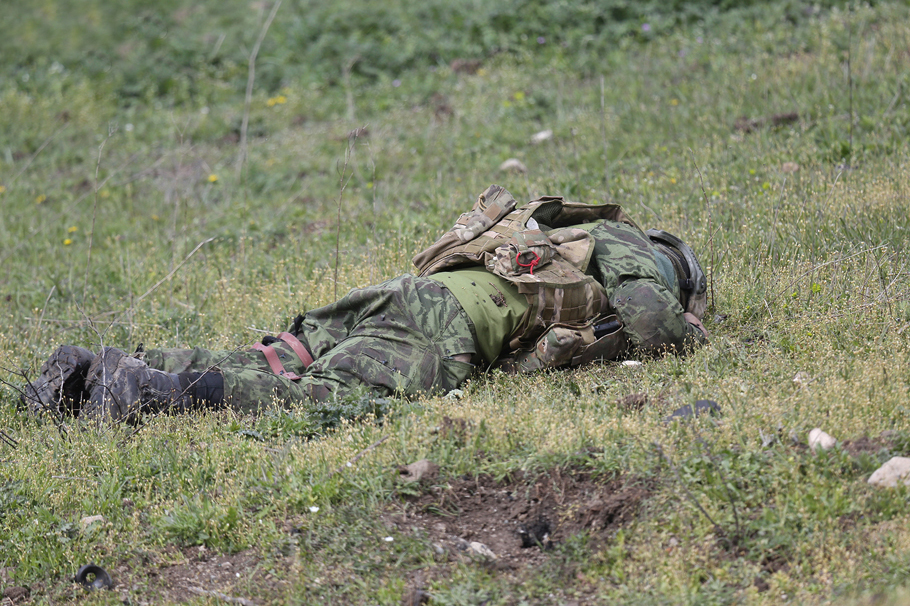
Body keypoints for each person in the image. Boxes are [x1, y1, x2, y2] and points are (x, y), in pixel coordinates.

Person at [22, 185, 708, 423]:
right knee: (324, 400)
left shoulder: (553, 233)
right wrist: (695, 334)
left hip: (405, 298)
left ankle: (91, 373)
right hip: (447, 329)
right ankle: (152, 390)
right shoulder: (621, 241)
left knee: (280, 359)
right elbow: (652, 320)